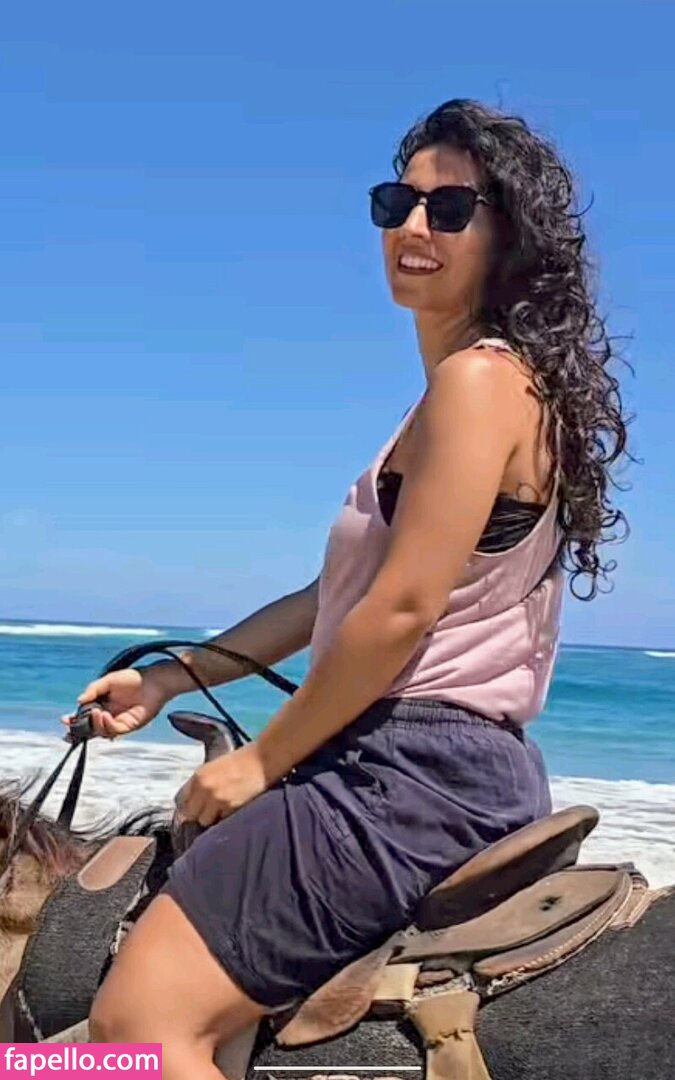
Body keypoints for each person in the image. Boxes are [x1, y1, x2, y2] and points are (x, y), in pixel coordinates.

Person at [69, 99, 629, 1077]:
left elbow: (401, 611)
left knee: (137, 1028)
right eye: (393, 202)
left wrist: (261, 759)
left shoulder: (479, 384)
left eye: (449, 209)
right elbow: (326, 599)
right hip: (440, 765)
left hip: (406, 772)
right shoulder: (482, 390)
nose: (412, 226)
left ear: (510, 236)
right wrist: (167, 678)